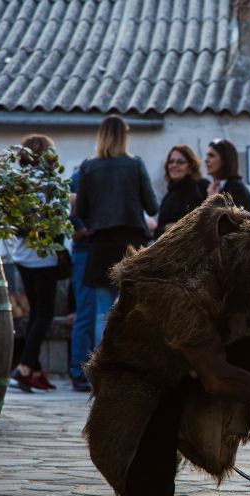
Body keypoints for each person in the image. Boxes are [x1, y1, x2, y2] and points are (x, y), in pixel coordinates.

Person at [76, 116, 159, 345]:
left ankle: (102, 373)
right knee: (133, 310)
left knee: (103, 313)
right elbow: (152, 206)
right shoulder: (135, 164)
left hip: (101, 246)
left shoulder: (88, 167)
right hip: (131, 245)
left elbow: (81, 210)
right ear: (125, 136)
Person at [6, 135, 63, 392]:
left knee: (35, 312)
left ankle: (36, 371)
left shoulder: (20, 182)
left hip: (22, 256)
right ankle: (24, 368)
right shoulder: (50, 183)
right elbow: (58, 219)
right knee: (44, 314)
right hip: (44, 256)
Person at [67, 167, 96, 392]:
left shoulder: (86, 172)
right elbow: (74, 217)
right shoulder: (84, 174)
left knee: (89, 313)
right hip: (87, 250)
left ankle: (82, 371)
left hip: (91, 249)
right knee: (87, 313)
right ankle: (79, 370)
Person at [154, 145, 210, 238]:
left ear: (190, 166)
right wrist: (166, 228)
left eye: (180, 162)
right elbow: (157, 233)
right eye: (171, 161)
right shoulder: (168, 196)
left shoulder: (202, 186)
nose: (174, 165)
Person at [205, 139, 250, 211]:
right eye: (207, 155)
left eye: (211, 155)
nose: (206, 160)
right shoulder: (214, 186)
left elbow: (229, 219)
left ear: (225, 160)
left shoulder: (236, 188)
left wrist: (212, 200)